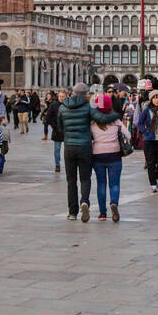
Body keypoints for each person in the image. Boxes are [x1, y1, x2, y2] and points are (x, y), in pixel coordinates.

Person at [58, 81, 113, 221]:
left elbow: (59, 127)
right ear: (85, 95)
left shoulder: (63, 106)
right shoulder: (89, 107)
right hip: (84, 146)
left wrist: (68, 133)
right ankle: (84, 201)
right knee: (85, 178)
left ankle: (72, 212)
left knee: (71, 180)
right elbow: (98, 120)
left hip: (69, 146)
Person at [91, 94, 125, 222]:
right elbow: (127, 135)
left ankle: (102, 213)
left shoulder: (93, 122)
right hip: (114, 154)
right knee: (114, 183)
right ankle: (114, 203)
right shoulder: (116, 120)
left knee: (101, 184)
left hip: (98, 154)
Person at [138, 89, 158, 192]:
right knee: (151, 163)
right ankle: (153, 184)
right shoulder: (147, 110)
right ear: (151, 99)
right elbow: (140, 123)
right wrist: (146, 132)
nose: (157, 100)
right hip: (149, 140)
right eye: (155, 98)